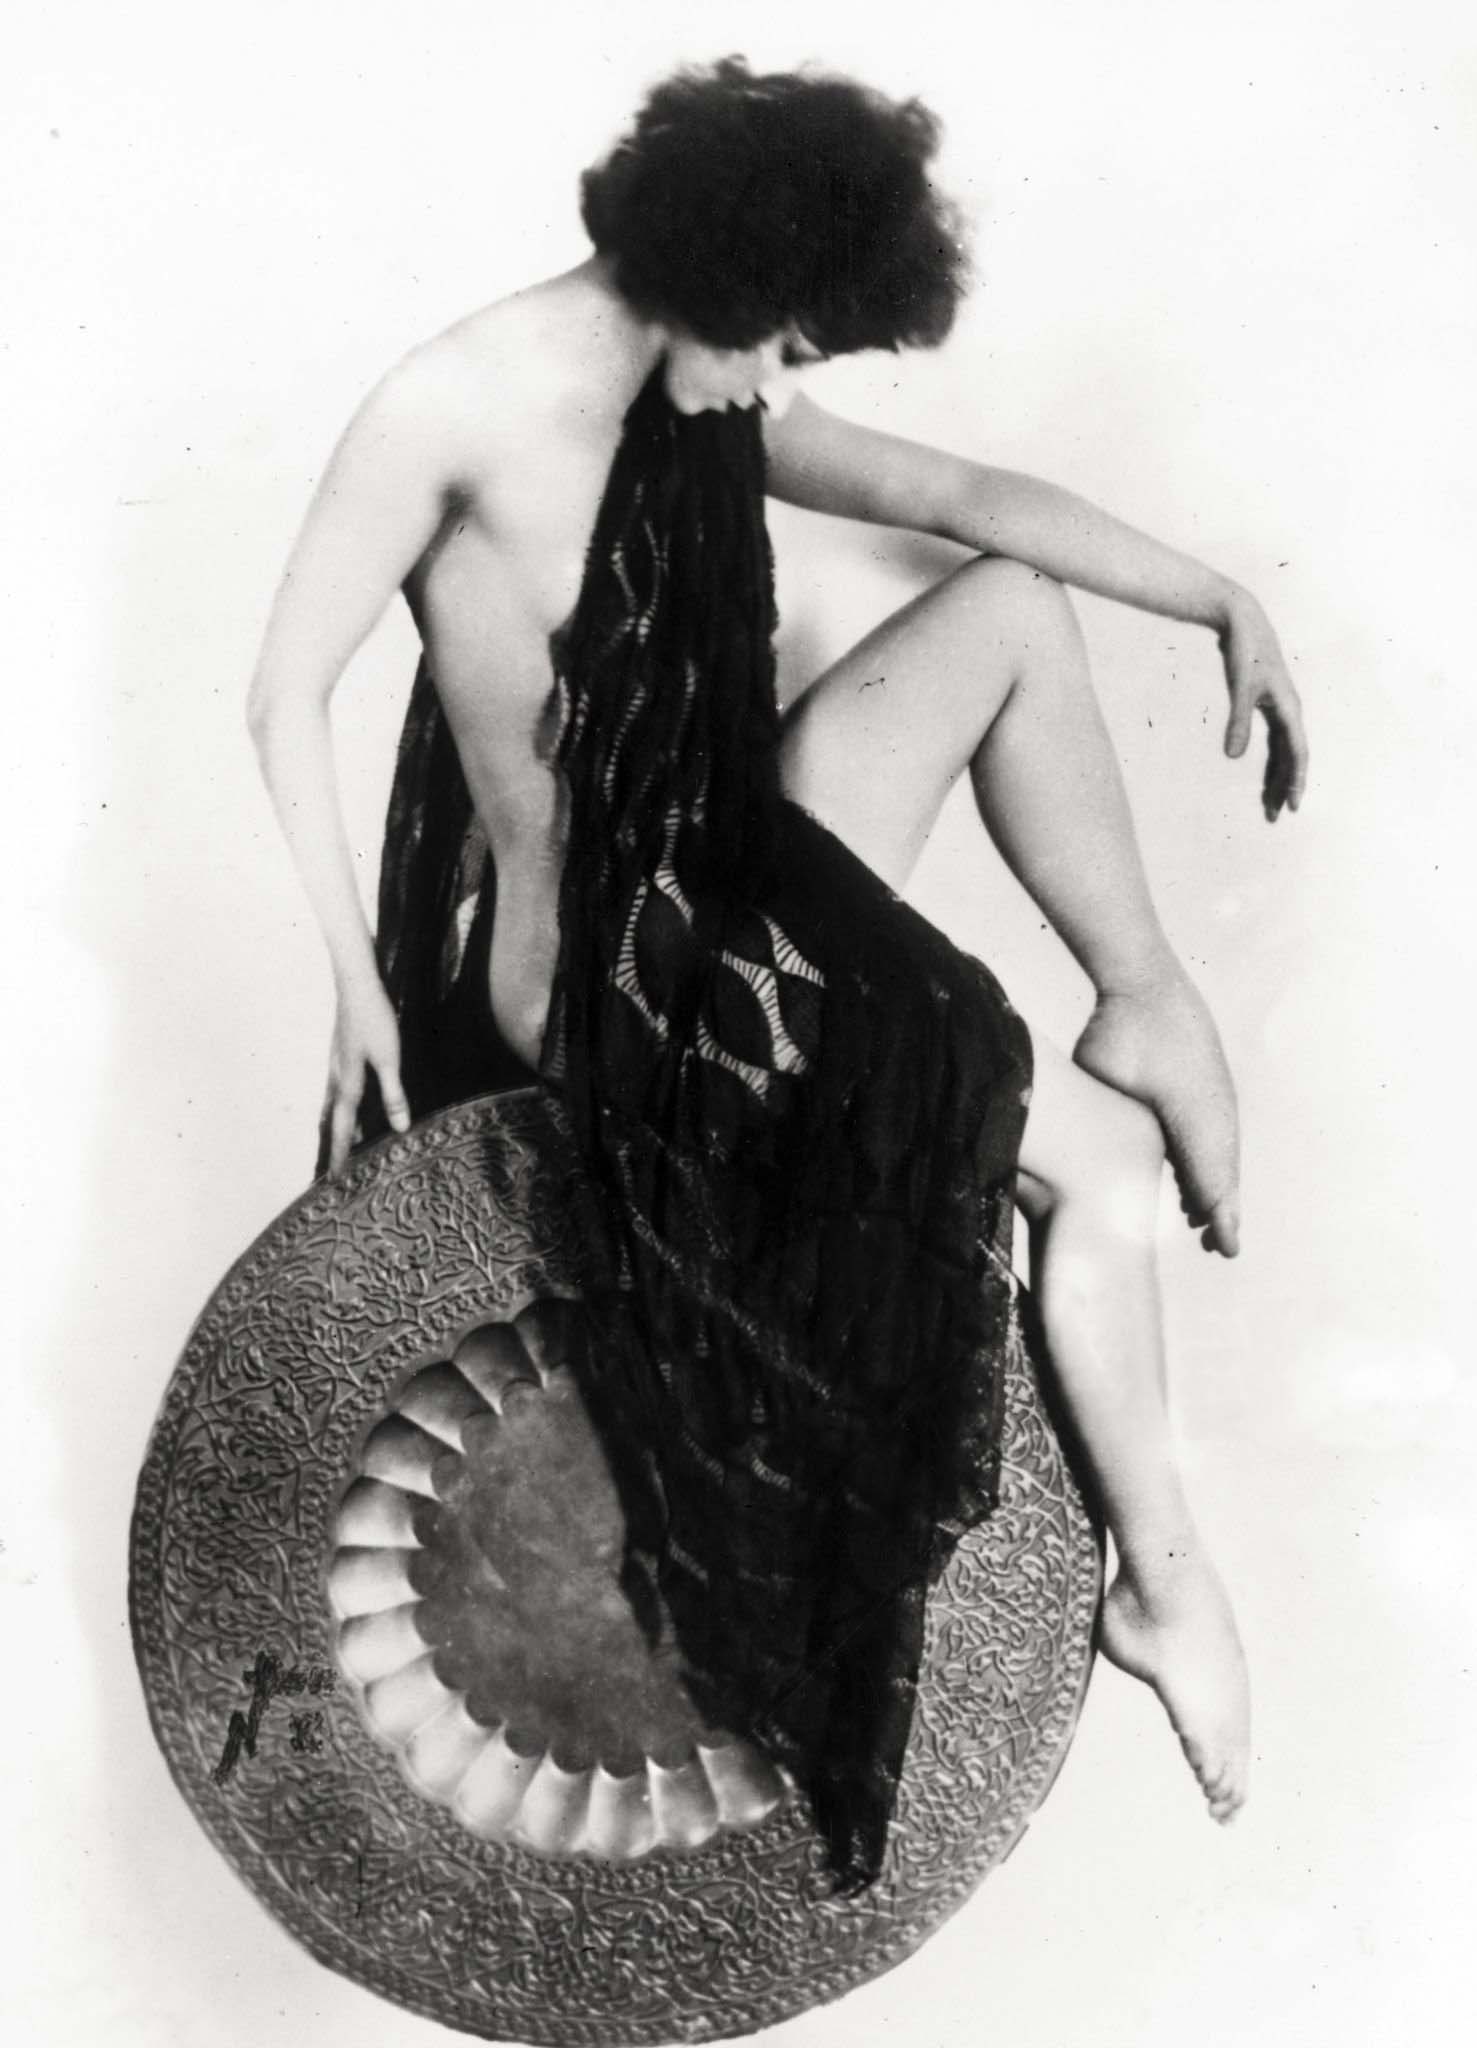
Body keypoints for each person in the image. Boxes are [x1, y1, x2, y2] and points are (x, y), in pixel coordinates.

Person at [245, 58, 1307, 1887]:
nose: (778, 385)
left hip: (718, 858)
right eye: (781, 338)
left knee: (1009, 615)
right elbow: (281, 690)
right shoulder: (457, 401)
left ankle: (1151, 991)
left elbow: (968, 489)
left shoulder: (697, 363)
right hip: (606, 972)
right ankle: (1171, 1591)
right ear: (710, 267)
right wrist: (351, 984)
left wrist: (1217, 594)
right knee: (1104, 1175)